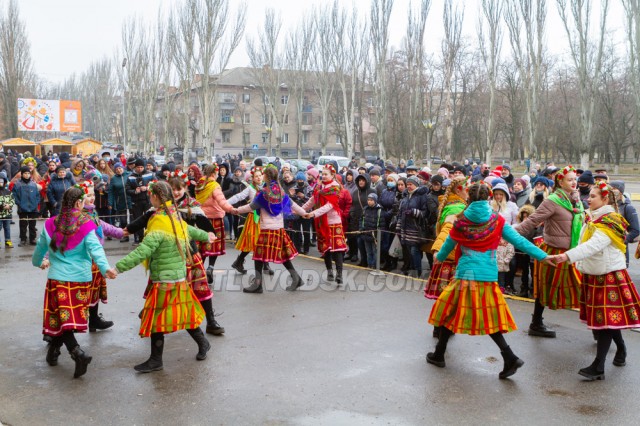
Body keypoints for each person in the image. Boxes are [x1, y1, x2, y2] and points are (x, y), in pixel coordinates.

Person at [426, 182, 551, 379]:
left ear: (469, 198)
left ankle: (440, 355)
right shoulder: (498, 220)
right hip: (487, 275)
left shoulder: (460, 222)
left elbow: (448, 244)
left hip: (465, 274)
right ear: (488, 198)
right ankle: (507, 357)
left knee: (449, 312)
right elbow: (519, 241)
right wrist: (543, 256)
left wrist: (438, 258)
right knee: (486, 318)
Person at [114, 181, 217, 373]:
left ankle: (156, 360)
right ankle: (202, 343)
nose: (149, 198)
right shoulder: (173, 214)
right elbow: (190, 230)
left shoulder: (160, 220)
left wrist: (118, 268)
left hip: (165, 278)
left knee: (157, 318)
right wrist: (206, 235)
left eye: (150, 195)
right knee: (182, 313)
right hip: (177, 276)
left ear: (156, 197)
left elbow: (143, 251)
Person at [550, 182, 640, 380]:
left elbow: (593, 246)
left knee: (606, 322)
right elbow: (584, 243)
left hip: (608, 275)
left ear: (605, 199)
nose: (588, 199)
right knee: (605, 320)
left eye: (593, 196)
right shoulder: (594, 218)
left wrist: (567, 256)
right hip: (595, 274)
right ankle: (622, 349)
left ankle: (599, 366)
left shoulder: (611, 221)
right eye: (589, 196)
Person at [124, 173, 225, 336]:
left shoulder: (192, 206)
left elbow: (206, 226)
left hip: (189, 254)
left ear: (185, 188)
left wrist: (209, 234)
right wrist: (126, 230)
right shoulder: (160, 207)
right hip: (167, 256)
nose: (177, 192)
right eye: (174, 189)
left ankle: (211, 321)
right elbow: (142, 220)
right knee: (162, 288)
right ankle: (150, 314)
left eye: (180, 188)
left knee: (201, 288)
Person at [33, 187, 117, 378]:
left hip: (58, 279)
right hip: (81, 280)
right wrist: (106, 269)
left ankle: (77, 353)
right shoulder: (86, 224)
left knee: (62, 318)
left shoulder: (50, 223)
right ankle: (54, 352)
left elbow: (39, 249)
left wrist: (38, 262)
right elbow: (96, 249)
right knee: (64, 319)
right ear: (79, 203)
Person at [515, 166, 585, 338]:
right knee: (547, 288)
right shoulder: (552, 201)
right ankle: (536, 324)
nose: (574, 182)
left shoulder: (576, 200)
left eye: (575, 179)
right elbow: (532, 220)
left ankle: (598, 328)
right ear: (560, 182)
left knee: (582, 287)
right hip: (554, 250)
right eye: (570, 179)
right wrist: (509, 236)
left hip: (573, 251)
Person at [232, 165, 308, 293]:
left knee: (258, 256)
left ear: (266, 176)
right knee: (283, 255)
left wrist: (236, 210)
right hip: (278, 228)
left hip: (267, 228)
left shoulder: (264, 193)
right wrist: (303, 213)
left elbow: (251, 206)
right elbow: (293, 204)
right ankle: (296, 278)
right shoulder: (281, 191)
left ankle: (258, 284)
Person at [424, 176, 468, 336]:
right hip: (449, 258)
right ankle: (442, 328)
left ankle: (440, 328)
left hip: (446, 257)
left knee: (444, 297)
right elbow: (447, 230)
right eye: (467, 189)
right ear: (459, 190)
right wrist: (438, 250)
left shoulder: (450, 204)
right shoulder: (456, 208)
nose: (468, 193)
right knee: (448, 298)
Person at [81, 181, 124, 332]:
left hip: (94, 260)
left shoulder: (92, 213)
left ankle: (93, 320)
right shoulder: (79, 216)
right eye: (88, 195)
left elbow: (101, 226)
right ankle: (59, 332)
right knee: (79, 294)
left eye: (93, 194)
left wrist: (120, 232)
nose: (92, 198)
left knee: (94, 291)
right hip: (84, 260)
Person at [303, 165, 349, 283]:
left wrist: (313, 214)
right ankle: (329, 271)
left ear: (332, 175)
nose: (323, 176)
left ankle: (339, 274)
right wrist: (300, 210)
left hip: (334, 222)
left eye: (326, 174)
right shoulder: (319, 187)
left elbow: (329, 206)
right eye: (322, 174)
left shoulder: (335, 188)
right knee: (326, 249)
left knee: (337, 249)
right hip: (322, 222)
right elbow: (312, 200)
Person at [195, 163, 236, 281]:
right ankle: (210, 268)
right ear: (214, 173)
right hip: (215, 218)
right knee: (214, 245)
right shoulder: (214, 186)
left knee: (202, 244)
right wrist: (231, 209)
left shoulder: (200, 184)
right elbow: (221, 201)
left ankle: (201, 271)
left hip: (201, 217)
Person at [226, 167, 265, 275]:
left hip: (264, 218)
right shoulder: (251, 188)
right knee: (254, 242)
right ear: (253, 178)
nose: (258, 178)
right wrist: (225, 203)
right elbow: (239, 196)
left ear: (263, 176)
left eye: (260, 176)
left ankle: (240, 261)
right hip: (254, 218)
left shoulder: (266, 188)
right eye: (256, 176)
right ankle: (240, 261)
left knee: (262, 242)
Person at [397, 176, 429, 277]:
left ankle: (418, 271)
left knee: (414, 250)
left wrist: (413, 212)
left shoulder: (422, 196)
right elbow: (400, 212)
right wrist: (398, 225)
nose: (409, 186)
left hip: (415, 228)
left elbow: (425, 213)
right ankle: (412, 269)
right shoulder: (405, 196)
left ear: (416, 184)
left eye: (411, 184)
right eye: (408, 184)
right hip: (405, 227)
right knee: (408, 250)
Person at [609, 181, 640, 267]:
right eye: (610, 188)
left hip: (621, 252)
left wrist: (622, 240)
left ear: (621, 191)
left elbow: (636, 230)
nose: (612, 191)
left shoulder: (628, 208)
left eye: (615, 188)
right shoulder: (606, 205)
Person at [126, 159, 154, 245]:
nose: (140, 169)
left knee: (149, 219)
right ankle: (139, 238)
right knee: (138, 220)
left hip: (147, 200)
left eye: (142, 167)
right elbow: (127, 189)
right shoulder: (131, 176)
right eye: (138, 167)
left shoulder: (150, 174)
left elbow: (156, 184)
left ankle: (149, 237)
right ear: (135, 167)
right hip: (136, 201)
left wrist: (147, 188)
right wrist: (135, 191)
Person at [12, 166, 41, 246]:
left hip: (33, 208)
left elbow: (38, 196)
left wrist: (36, 203)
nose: (27, 175)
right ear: (22, 174)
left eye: (28, 173)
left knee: (32, 224)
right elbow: (14, 195)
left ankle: (32, 239)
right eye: (25, 173)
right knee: (23, 224)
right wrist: (19, 204)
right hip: (22, 208)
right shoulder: (18, 184)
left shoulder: (33, 184)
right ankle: (23, 239)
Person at [108, 162, 132, 242]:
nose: (118, 170)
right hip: (120, 201)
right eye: (116, 169)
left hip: (131, 199)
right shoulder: (114, 179)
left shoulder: (129, 175)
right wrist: (110, 203)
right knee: (123, 220)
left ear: (123, 168)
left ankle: (137, 236)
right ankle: (125, 235)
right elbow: (110, 191)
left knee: (134, 218)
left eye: (120, 168)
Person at [360, 193, 383, 269]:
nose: (369, 202)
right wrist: (361, 228)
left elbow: (382, 224)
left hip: (375, 236)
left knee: (375, 252)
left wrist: (378, 235)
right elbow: (361, 220)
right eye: (368, 200)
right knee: (368, 252)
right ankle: (369, 265)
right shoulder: (365, 209)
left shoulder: (379, 210)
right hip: (366, 234)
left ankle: (374, 265)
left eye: (371, 200)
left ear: (375, 201)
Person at [0, 173, 14, 247]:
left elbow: (12, 200)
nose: (0, 183)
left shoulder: (8, 191)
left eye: (2, 181)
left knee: (7, 228)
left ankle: (8, 241)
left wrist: (9, 205)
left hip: (7, 214)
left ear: (5, 182)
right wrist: (1, 205)